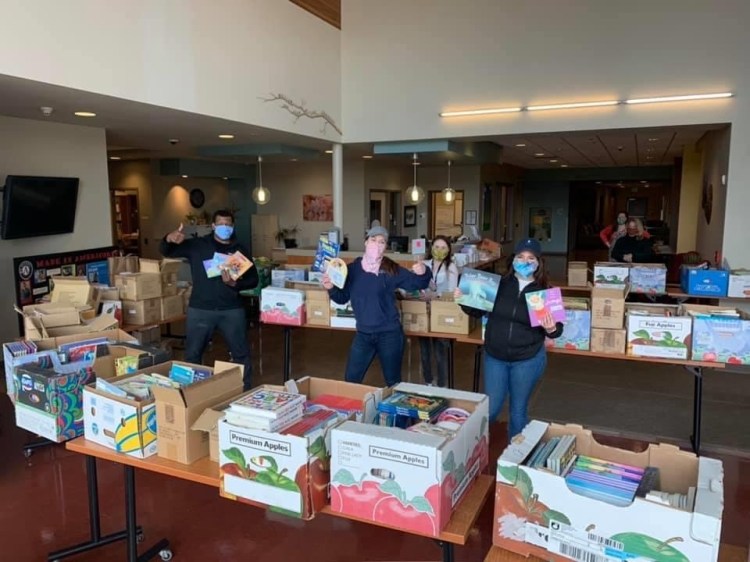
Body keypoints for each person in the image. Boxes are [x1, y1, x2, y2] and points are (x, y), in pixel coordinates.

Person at [456, 238, 563, 439]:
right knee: (492, 408)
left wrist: (551, 328)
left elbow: (557, 331)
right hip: (495, 356)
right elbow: (476, 312)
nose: (525, 261)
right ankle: (473, 450)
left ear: (539, 263)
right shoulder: (497, 285)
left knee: (518, 410)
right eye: (521, 256)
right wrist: (462, 299)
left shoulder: (544, 292)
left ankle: (515, 458)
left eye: (531, 258)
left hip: (527, 359)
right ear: (513, 259)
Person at [160, 210, 258, 390]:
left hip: (231, 310)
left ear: (233, 226)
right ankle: (190, 393)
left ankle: (245, 391)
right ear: (213, 226)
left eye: (228, 224)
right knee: (193, 355)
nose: (225, 228)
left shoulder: (239, 249)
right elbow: (167, 251)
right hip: (201, 310)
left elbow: (254, 280)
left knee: (241, 354)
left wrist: (235, 284)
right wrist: (168, 238)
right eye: (221, 224)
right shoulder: (197, 245)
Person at [322, 226, 431, 387]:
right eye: (373, 240)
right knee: (351, 380)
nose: (377, 244)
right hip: (363, 335)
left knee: (393, 382)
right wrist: (330, 287)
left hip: (389, 335)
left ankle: (395, 411)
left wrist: (424, 271)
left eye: (381, 242)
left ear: (385, 247)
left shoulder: (391, 269)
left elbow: (417, 283)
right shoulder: (352, 270)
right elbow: (342, 298)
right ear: (366, 242)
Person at [418, 236, 459, 387]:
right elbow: (416, 283)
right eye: (436, 247)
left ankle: (442, 385)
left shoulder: (451, 267)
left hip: (443, 312)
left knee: (440, 352)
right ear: (431, 248)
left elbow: (453, 293)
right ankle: (428, 381)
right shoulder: (424, 264)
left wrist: (435, 295)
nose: (439, 250)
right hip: (424, 311)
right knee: (424, 351)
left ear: (448, 250)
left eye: (443, 248)